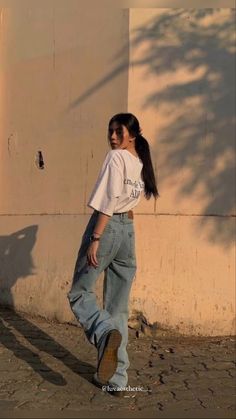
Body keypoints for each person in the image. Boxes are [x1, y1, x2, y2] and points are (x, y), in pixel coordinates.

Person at [67, 113, 159, 397]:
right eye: (110, 131)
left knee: (80, 293)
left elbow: (107, 201)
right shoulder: (139, 163)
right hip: (128, 233)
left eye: (119, 132)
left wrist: (96, 237)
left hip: (107, 228)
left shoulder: (116, 159)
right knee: (118, 306)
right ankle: (117, 378)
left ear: (132, 134)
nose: (113, 137)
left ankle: (104, 333)